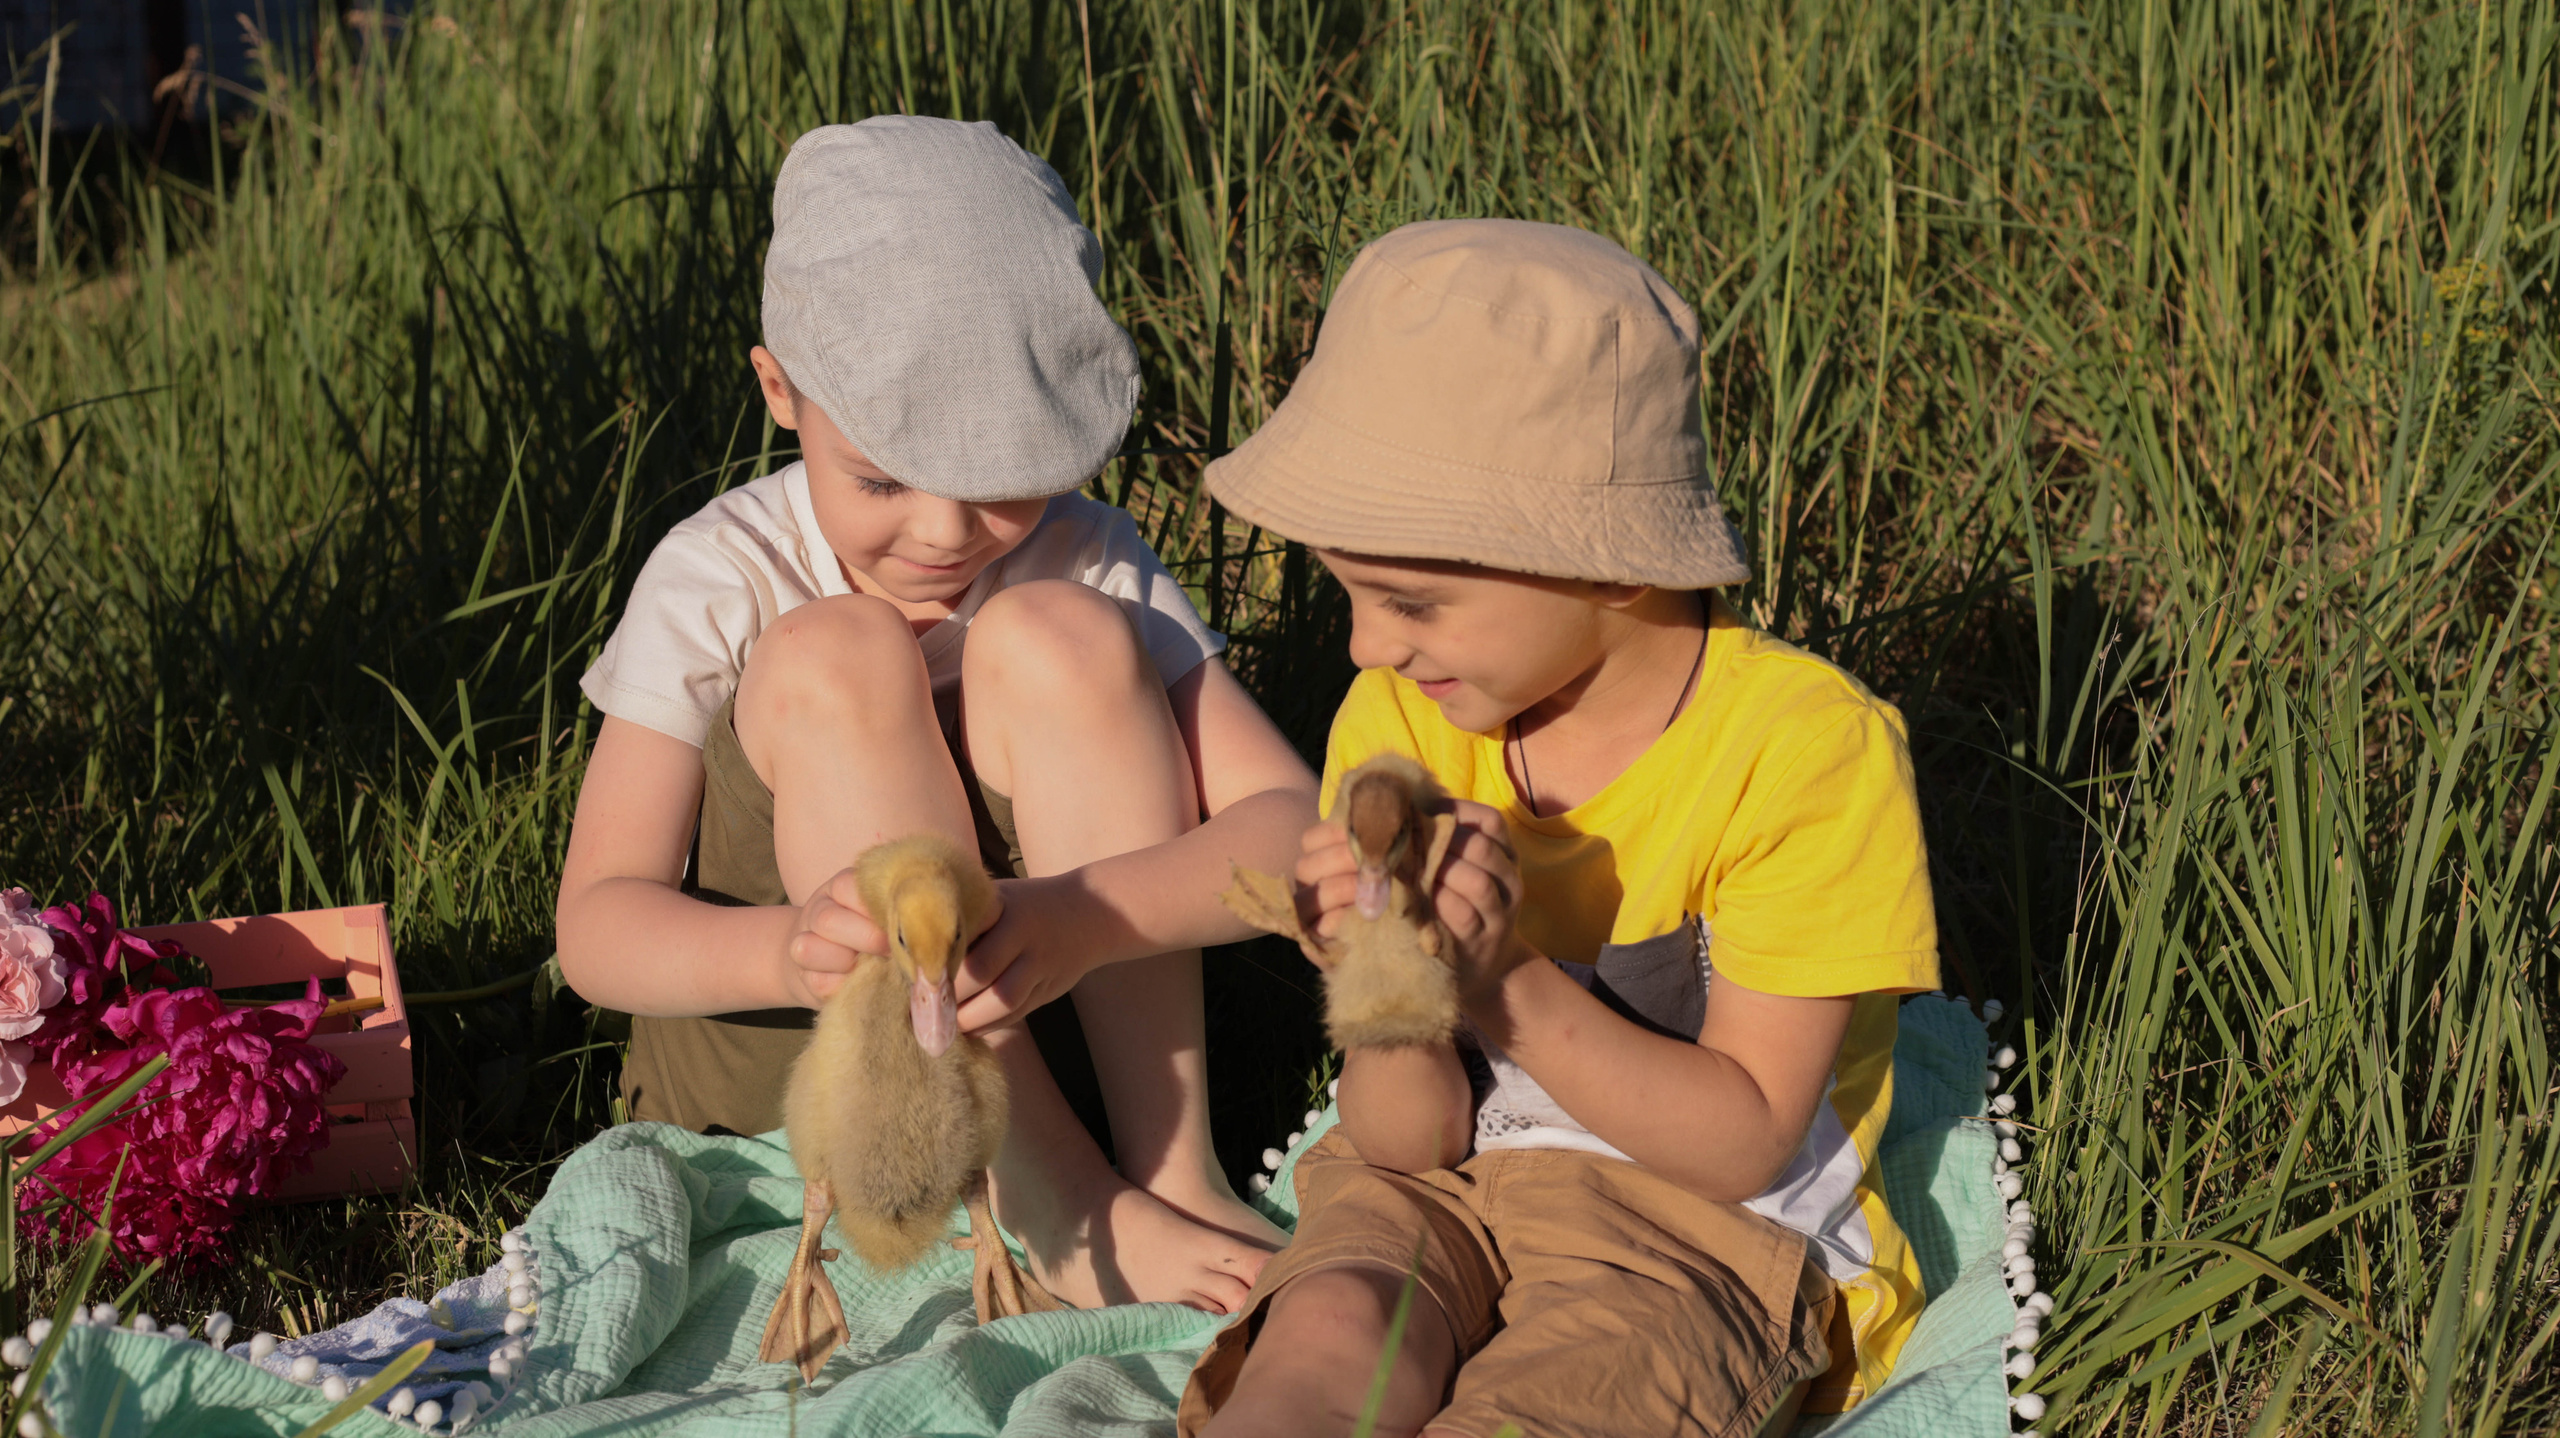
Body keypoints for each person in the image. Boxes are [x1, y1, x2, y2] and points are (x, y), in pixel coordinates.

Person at [1177, 220, 1941, 1436]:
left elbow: (1744, 1138)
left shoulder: (1803, 755)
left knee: (1550, 1405)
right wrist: (1385, 985)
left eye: (1412, 601)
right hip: (1432, 1184)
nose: (1366, 647)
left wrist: (1502, 979)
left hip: (1688, 1233)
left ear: (1611, 565)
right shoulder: (1401, 719)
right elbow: (1404, 1135)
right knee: (1321, 1346)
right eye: (1349, 595)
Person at [554, 116, 1317, 1315]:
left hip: (1053, 1038)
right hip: (792, 1077)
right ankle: (1044, 1195)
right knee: (839, 652)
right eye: (884, 479)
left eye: (1002, 477)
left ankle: (1172, 1168)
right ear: (778, 391)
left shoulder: (1080, 552)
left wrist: (1085, 915)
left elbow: (1292, 828)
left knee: (1063, 632)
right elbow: (595, 927)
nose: (947, 533)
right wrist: (779, 949)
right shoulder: (724, 572)